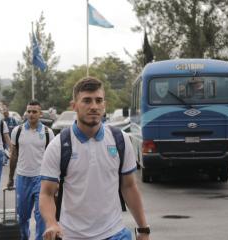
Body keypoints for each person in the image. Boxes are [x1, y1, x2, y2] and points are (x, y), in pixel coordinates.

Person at [39, 77, 150, 240]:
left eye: (99, 101)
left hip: (115, 234)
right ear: (74, 105)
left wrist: (143, 229)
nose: (94, 107)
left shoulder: (121, 140)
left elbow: (129, 186)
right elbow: (47, 193)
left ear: (105, 105)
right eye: (87, 101)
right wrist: (51, 223)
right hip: (72, 236)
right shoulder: (59, 145)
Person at [7, 100, 55, 240]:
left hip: (41, 179)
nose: (31, 114)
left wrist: (54, 182)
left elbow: (52, 159)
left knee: (41, 218)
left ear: (40, 114)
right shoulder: (18, 131)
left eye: (34, 112)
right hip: (22, 178)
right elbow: (13, 155)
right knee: (22, 217)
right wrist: (11, 178)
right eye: (29, 111)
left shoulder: (48, 133)